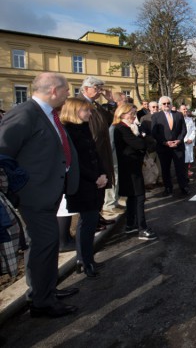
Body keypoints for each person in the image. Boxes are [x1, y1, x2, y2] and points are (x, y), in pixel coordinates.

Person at [0, 72, 80, 318]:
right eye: (66, 89)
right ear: (54, 90)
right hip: (33, 196)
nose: (69, 94)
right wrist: (18, 183)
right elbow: (3, 151)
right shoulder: (25, 113)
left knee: (46, 244)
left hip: (48, 192)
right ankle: (42, 302)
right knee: (44, 244)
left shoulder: (48, 114)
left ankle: (45, 290)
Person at [60, 98, 108, 279]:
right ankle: (84, 260)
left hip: (95, 181)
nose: (89, 114)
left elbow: (95, 154)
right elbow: (74, 161)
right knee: (86, 222)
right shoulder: (68, 131)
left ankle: (86, 258)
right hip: (82, 184)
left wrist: (103, 174)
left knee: (90, 221)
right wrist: (95, 177)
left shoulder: (83, 128)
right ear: (74, 111)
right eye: (86, 111)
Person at [113, 104, 158, 241]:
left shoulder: (131, 127)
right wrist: (142, 138)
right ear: (122, 114)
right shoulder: (121, 128)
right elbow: (140, 145)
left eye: (134, 113)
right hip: (129, 169)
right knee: (139, 197)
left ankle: (131, 224)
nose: (133, 116)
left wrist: (142, 138)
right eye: (131, 114)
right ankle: (142, 228)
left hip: (133, 167)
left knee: (133, 198)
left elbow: (150, 142)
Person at [78, 76, 116, 229]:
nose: (100, 91)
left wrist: (111, 102)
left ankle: (97, 216)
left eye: (101, 88)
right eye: (97, 88)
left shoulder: (95, 104)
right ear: (86, 88)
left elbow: (109, 118)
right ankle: (92, 220)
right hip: (90, 154)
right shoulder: (80, 103)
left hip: (101, 152)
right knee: (93, 189)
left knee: (100, 188)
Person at [152, 96, 189, 196]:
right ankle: (168, 188)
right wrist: (165, 142)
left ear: (171, 104)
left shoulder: (178, 115)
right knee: (165, 169)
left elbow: (184, 130)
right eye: (164, 104)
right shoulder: (156, 116)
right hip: (164, 147)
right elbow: (154, 133)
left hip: (178, 146)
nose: (166, 105)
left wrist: (179, 140)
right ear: (160, 105)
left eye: (168, 103)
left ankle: (183, 187)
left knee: (180, 168)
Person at [180, 105, 196, 178]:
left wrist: (191, 139)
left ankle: (187, 172)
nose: (185, 110)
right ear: (179, 110)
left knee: (189, 158)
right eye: (183, 109)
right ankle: (182, 174)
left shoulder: (190, 119)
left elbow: (194, 130)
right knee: (182, 159)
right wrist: (184, 140)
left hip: (189, 142)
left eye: (186, 109)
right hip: (181, 143)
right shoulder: (177, 119)